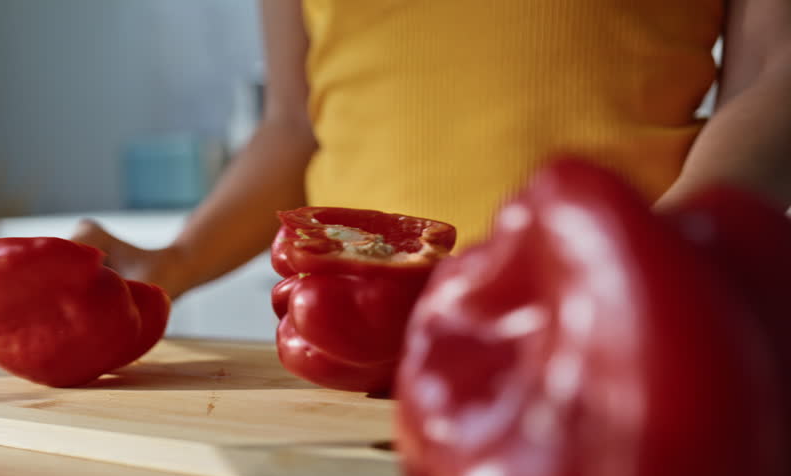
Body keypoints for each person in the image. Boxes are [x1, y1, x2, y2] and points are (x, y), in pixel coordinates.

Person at [74, 0, 791, 300]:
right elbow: (296, 126)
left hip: (623, 329)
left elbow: (772, 74)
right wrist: (178, 260)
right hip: (347, 342)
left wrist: (644, 268)